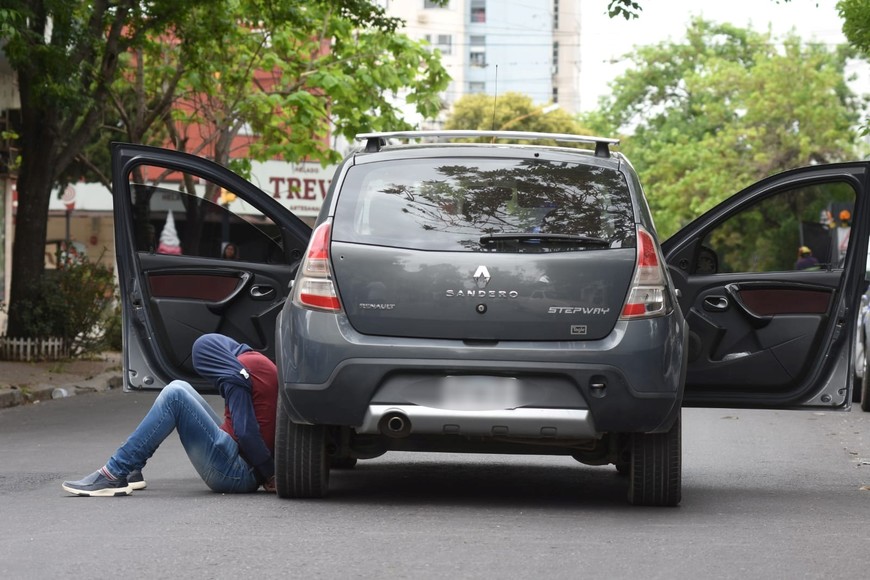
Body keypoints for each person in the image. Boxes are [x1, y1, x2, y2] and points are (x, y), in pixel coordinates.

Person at [62, 333, 278, 496]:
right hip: (241, 460)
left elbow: (246, 431)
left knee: (174, 395)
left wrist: (270, 474)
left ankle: (114, 473)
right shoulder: (257, 363)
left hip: (237, 473)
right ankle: (132, 466)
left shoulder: (236, 374)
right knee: (180, 386)